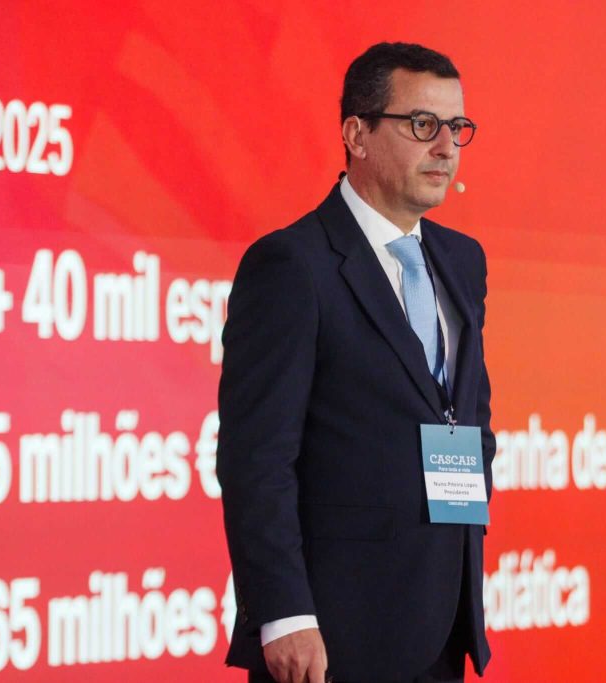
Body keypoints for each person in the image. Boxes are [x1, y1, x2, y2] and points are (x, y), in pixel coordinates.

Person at [217, 42, 496, 683]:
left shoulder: (463, 261)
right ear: (357, 134)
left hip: (442, 618)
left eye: (456, 127)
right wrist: (283, 613)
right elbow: (256, 459)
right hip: (332, 635)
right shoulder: (292, 265)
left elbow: (469, 416)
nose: (446, 148)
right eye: (423, 124)